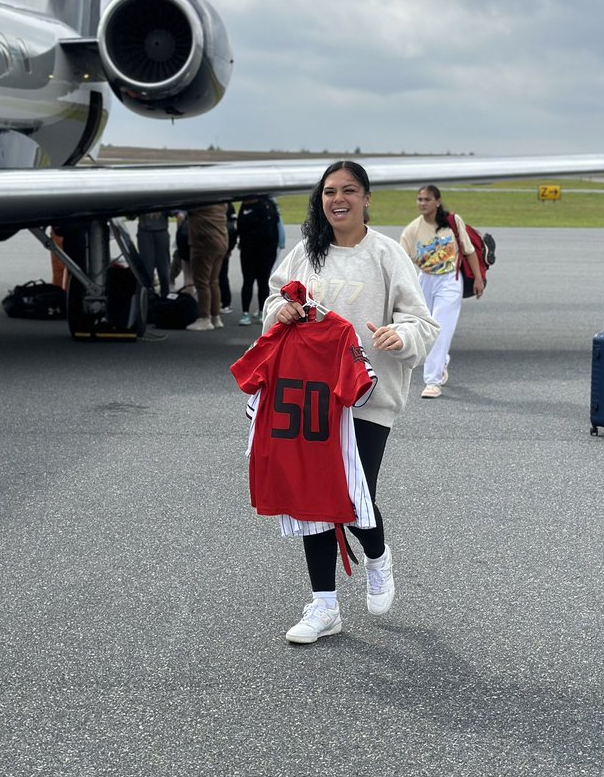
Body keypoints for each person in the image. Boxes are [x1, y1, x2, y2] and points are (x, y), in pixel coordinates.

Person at [262, 160, 439, 644]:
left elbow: (423, 323)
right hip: (309, 399)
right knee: (309, 500)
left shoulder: (386, 254)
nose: (337, 199)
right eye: (329, 192)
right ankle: (324, 606)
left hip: (366, 398)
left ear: (366, 198)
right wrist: (284, 310)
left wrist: (398, 336)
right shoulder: (305, 253)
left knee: (355, 496)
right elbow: (271, 305)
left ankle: (377, 556)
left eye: (349, 191)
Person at [399, 184, 484, 398]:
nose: (422, 203)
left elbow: (469, 251)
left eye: (427, 199)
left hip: (450, 280)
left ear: (437, 201)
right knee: (425, 329)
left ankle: (432, 382)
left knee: (440, 328)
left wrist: (478, 279)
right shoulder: (412, 230)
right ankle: (442, 361)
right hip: (425, 280)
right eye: (419, 199)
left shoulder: (453, 222)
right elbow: (401, 261)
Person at [237, 195, 283, 325]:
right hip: (247, 251)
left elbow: (269, 232)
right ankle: (245, 313)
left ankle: (262, 312)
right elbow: (240, 227)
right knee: (248, 281)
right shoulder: (244, 206)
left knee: (263, 281)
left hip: (265, 252)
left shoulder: (266, 206)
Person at [186, 202, 229, 331]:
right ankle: (215, 317)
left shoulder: (201, 202)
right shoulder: (221, 203)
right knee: (213, 282)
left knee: (202, 283)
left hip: (204, 243)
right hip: (220, 242)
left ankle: (204, 317)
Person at [136, 211, 171, 298]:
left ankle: (165, 297)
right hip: (145, 232)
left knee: (164, 271)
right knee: (147, 270)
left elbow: (173, 211)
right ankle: (148, 298)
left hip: (160, 231)